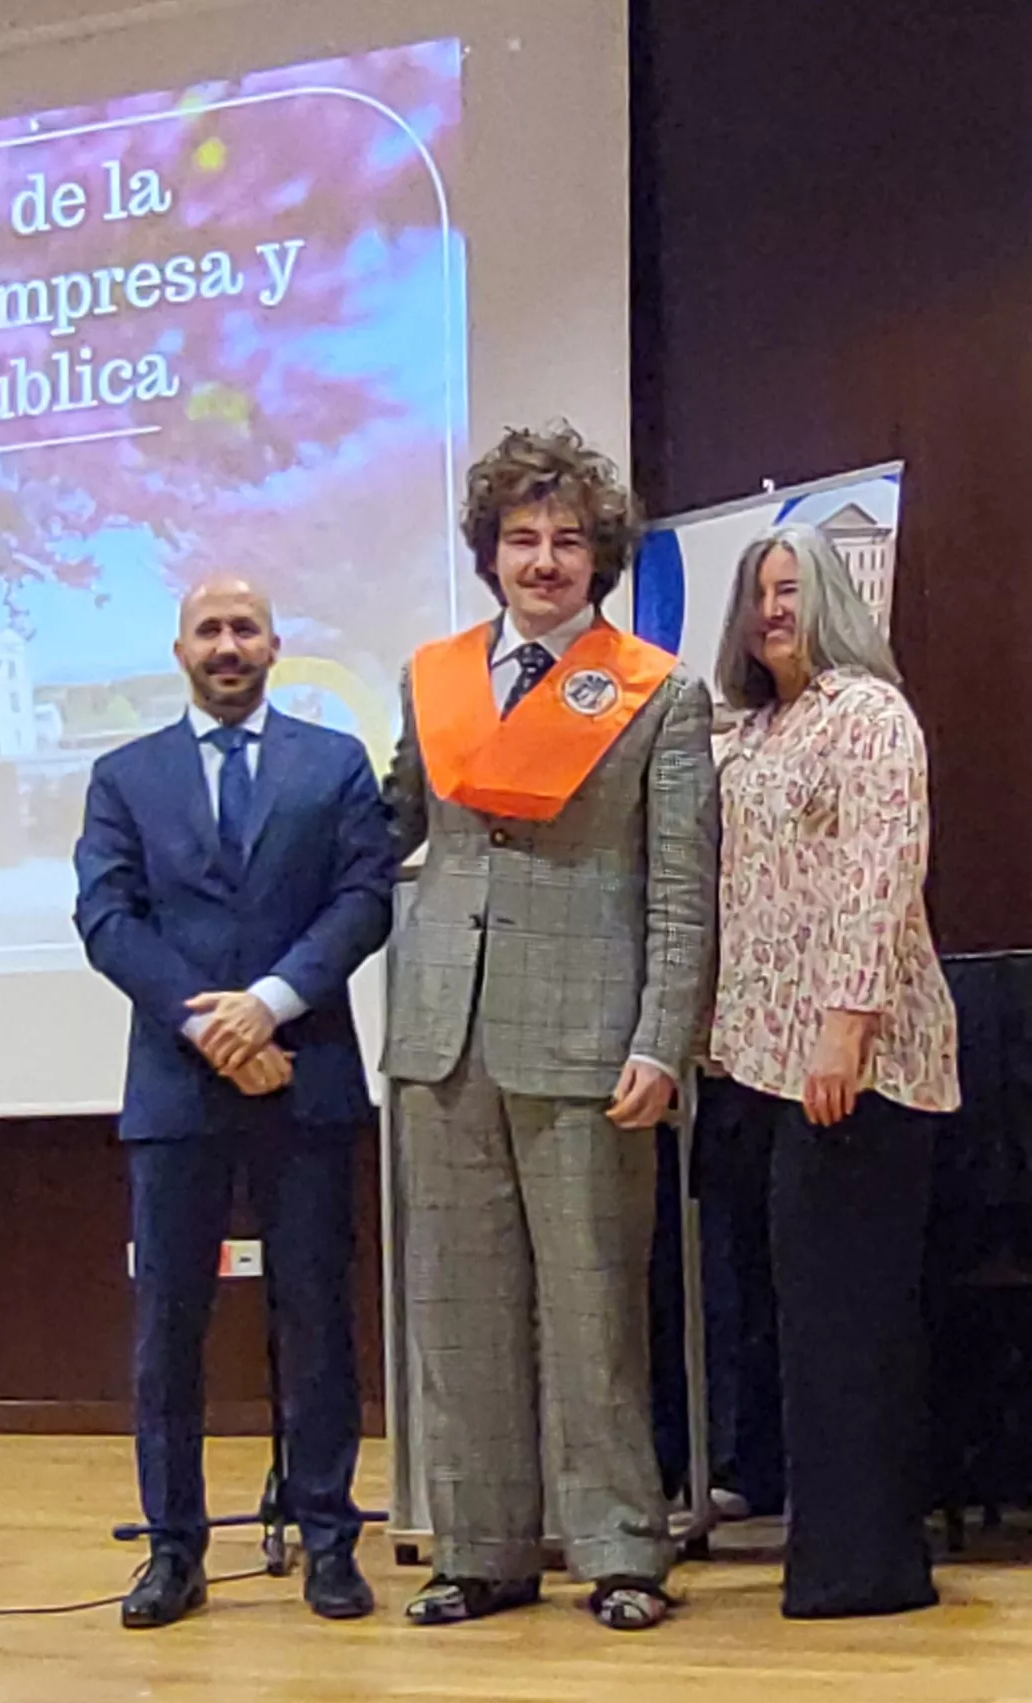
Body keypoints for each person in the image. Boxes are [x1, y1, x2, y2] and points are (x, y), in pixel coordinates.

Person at [384, 423, 715, 1632]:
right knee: (459, 1306)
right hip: (441, 1034)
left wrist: (661, 1040)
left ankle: (621, 1545)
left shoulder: (659, 693)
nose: (544, 561)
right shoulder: (435, 681)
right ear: (490, 554)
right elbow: (388, 830)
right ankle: (481, 1549)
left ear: (600, 557)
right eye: (522, 539)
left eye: (567, 540)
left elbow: (682, 886)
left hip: (590, 1040)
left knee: (592, 1307)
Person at [73, 575, 398, 1629]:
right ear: (178, 649)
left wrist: (266, 1006)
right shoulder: (124, 776)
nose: (227, 644)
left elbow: (363, 899)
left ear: (273, 644)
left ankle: (329, 1540)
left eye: (243, 628)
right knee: (168, 1327)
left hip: (304, 1074)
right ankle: (172, 1550)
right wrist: (206, 1024)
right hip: (175, 1086)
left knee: (318, 1318)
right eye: (209, 629)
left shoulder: (333, 761)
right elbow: (106, 915)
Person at [707, 524, 959, 1618]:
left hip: (858, 1064)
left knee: (849, 1322)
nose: (773, 610)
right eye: (758, 592)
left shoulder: (869, 714)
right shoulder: (749, 732)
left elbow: (881, 874)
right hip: (761, 1067)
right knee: (803, 1323)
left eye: (792, 589)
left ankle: (868, 1566)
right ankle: (833, 1553)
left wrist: (844, 1024)